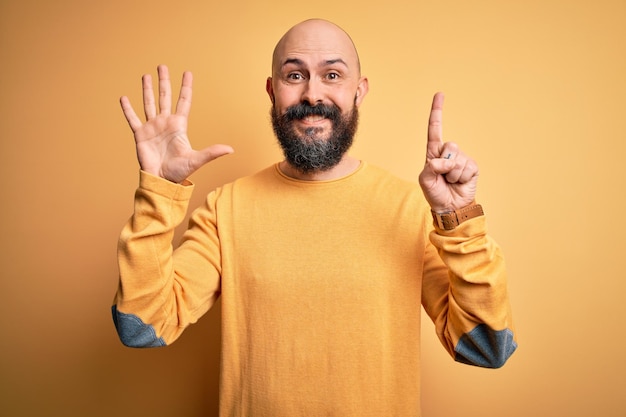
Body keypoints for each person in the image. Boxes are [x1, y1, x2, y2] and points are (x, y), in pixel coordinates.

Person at [112, 18, 517, 416]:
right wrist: (158, 191)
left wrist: (457, 218)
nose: (312, 94)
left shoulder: (409, 209)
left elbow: (485, 347)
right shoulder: (226, 209)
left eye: (332, 75)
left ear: (359, 92)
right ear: (272, 91)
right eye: (294, 75)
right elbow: (143, 326)